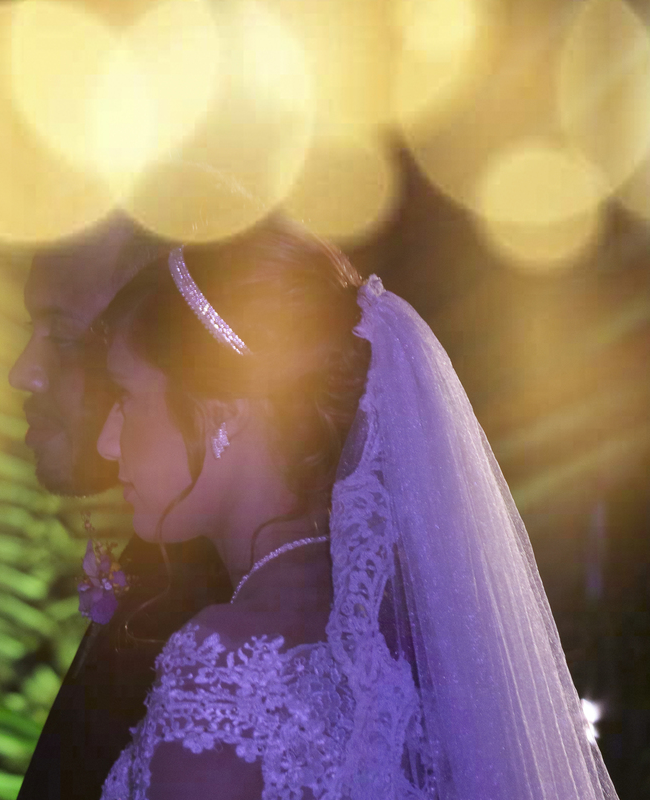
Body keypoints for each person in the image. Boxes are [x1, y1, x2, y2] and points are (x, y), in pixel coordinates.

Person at [94, 217, 619, 799]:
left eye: (127, 397)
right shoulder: (410, 643)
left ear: (223, 412)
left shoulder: (226, 666)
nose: (106, 443)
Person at [9, 214, 230, 800]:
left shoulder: (231, 632)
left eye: (64, 338)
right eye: (31, 331)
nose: (22, 373)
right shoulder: (164, 560)